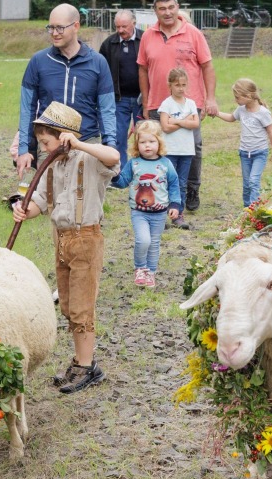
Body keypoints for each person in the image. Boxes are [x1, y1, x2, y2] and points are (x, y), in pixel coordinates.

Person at [10, 103, 118, 394]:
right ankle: (80, 360)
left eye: (46, 141)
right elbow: (40, 202)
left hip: (86, 239)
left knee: (83, 307)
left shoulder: (90, 157)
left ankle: (87, 367)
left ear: (65, 136)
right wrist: (25, 211)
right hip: (61, 240)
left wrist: (80, 143)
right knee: (69, 306)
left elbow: (115, 157)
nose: (43, 148)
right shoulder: (52, 166)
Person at [137, 0, 216, 213]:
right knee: (157, 149)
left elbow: (207, 66)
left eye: (171, 7)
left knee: (192, 148)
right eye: (162, 9)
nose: (167, 12)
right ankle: (159, 193)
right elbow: (142, 69)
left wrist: (210, 98)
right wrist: (145, 102)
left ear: (177, 7)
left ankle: (191, 189)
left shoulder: (193, 34)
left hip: (189, 104)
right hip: (157, 104)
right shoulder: (147, 36)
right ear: (155, 11)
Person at [14, 4, 116, 176]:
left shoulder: (98, 63)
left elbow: (107, 110)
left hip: (86, 142)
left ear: (76, 26)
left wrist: (109, 146)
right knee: (49, 199)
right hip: (49, 144)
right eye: (51, 28)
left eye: (60, 27)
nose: (54, 33)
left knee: (82, 199)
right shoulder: (38, 61)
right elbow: (27, 109)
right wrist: (24, 148)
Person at [113, 120, 180, 288]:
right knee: (143, 240)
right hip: (139, 212)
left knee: (154, 242)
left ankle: (151, 272)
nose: (147, 146)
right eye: (143, 142)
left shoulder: (165, 164)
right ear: (137, 144)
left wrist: (175, 205)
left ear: (159, 142)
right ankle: (140, 268)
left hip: (159, 212)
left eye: (151, 141)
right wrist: (114, 176)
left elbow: (173, 184)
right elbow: (123, 182)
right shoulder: (134, 163)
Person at [212, 78, 272, 206]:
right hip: (245, 153)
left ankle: (255, 209)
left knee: (253, 181)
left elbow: (271, 132)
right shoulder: (241, 110)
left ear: (248, 96)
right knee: (246, 184)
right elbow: (231, 118)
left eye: (237, 97)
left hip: (260, 152)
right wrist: (216, 113)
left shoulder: (263, 112)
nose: (236, 100)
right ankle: (247, 208)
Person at [156, 68, 201, 228]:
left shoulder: (191, 103)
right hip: (170, 150)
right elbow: (165, 127)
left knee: (182, 182)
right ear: (170, 85)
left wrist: (175, 121)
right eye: (177, 85)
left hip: (186, 151)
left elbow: (195, 124)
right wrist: (184, 120)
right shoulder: (166, 104)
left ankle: (178, 213)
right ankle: (162, 213)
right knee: (167, 181)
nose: (181, 88)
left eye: (183, 85)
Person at [97, 10, 144, 164]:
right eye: (117, 27)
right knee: (117, 137)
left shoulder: (146, 39)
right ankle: (119, 173)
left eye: (124, 26)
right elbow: (100, 71)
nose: (120, 30)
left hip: (142, 99)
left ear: (134, 24)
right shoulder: (108, 44)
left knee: (145, 136)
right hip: (118, 99)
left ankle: (143, 170)